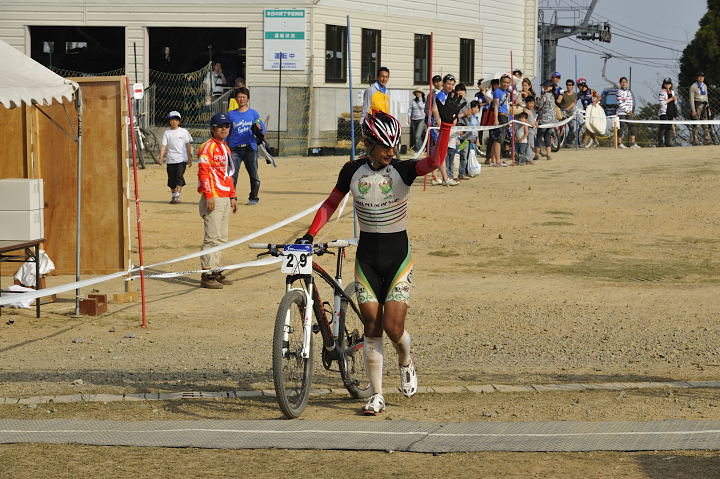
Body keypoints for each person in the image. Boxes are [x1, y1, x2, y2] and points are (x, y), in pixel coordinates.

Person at [296, 95, 463, 416]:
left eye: (394, 145)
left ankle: (406, 359)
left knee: (394, 328)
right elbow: (331, 203)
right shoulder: (352, 170)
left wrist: (446, 126)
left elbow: (435, 162)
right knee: (372, 326)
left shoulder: (402, 170)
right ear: (368, 143)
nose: (391, 152)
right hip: (367, 260)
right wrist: (310, 234)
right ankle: (376, 394)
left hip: (398, 259)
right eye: (385, 146)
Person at [197, 113, 237, 289]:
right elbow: (203, 171)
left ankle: (216, 270)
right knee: (212, 237)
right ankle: (207, 274)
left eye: (227, 125)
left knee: (222, 237)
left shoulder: (225, 148)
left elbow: (228, 174)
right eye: (220, 126)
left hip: (225, 197)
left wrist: (233, 195)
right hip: (213, 197)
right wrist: (209, 194)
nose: (224, 128)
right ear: (212, 128)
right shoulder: (207, 147)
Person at [227, 87, 265, 205]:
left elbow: (262, 129)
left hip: (250, 148)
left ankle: (253, 198)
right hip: (235, 149)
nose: (241, 99)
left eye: (244, 97)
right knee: (232, 176)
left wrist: (259, 130)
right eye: (239, 97)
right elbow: (226, 132)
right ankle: (231, 198)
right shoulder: (231, 115)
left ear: (247, 99)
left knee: (254, 176)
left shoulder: (253, 114)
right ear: (236, 99)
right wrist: (225, 146)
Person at [158, 111, 193, 204]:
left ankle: (177, 195)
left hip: (181, 159)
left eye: (176, 120)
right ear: (169, 121)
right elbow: (163, 146)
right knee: (171, 179)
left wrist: (189, 158)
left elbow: (188, 145)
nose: (174, 122)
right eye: (172, 120)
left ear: (179, 121)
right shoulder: (167, 133)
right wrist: (161, 157)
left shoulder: (184, 132)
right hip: (170, 159)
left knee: (179, 176)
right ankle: (173, 195)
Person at [430, 74, 458, 185]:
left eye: (452, 84)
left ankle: (435, 176)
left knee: (438, 152)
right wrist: (440, 123)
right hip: (440, 128)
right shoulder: (441, 95)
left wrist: (453, 118)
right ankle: (445, 178)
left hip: (444, 127)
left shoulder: (448, 95)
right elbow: (435, 109)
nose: (450, 86)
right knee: (442, 152)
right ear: (444, 84)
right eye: (448, 84)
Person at [490, 74, 512, 167]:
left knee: (499, 139)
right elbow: (495, 106)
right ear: (500, 82)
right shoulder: (497, 92)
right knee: (499, 139)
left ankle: (493, 159)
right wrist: (496, 119)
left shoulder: (507, 92)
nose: (505, 84)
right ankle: (497, 160)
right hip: (500, 116)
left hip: (506, 116)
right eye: (504, 82)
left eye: (507, 82)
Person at [617, 76, 640, 149]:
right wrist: (627, 110)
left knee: (632, 126)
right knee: (621, 127)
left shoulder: (629, 92)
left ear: (627, 83)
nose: (624, 84)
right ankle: (619, 143)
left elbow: (631, 102)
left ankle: (633, 143)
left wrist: (631, 111)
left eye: (625, 82)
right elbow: (620, 103)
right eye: (622, 82)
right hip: (621, 113)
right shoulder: (618, 92)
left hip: (629, 113)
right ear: (620, 83)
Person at [690, 71, 711, 145]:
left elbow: (706, 96)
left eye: (702, 76)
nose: (701, 78)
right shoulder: (693, 86)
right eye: (699, 76)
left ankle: (707, 139)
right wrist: (693, 110)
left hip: (704, 104)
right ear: (697, 78)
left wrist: (708, 106)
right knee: (696, 123)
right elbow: (691, 98)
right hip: (697, 103)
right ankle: (695, 139)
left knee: (705, 122)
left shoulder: (704, 85)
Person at [536, 80, 556, 160]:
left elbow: (539, 105)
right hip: (552, 120)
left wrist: (536, 103)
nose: (545, 88)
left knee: (539, 136)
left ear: (550, 87)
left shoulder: (544, 96)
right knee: (548, 136)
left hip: (544, 119)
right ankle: (548, 155)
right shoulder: (552, 96)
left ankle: (536, 154)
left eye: (546, 86)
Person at [658, 78, 678, 147]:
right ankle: (661, 142)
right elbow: (662, 103)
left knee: (669, 127)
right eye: (666, 83)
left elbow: (674, 103)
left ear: (671, 84)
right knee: (663, 126)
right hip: (664, 112)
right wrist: (671, 99)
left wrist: (675, 99)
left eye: (669, 83)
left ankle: (668, 142)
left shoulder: (672, 92)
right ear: (664, 84)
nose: (667, 85)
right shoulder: (662, 92)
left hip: (671, 111)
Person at [524, 96, 538, 163]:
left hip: (532, 131)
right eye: (530, 103)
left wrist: (535, 123)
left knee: (531, 144)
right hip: (528, 131)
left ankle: (529, 158)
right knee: (530, 144)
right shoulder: (525, 111)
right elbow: (524, 120)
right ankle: (529, 159)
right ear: (526, 103)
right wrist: (530, 124)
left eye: (533, 103)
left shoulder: (531, 111)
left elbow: (532, 120)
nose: (532, 104)